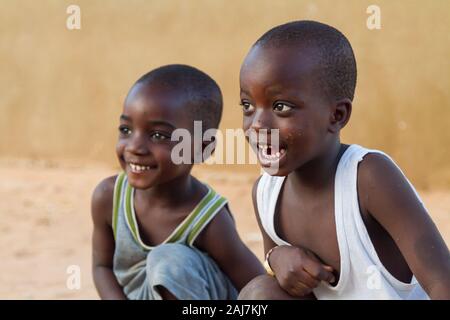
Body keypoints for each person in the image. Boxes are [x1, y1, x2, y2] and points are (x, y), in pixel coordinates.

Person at [237, 21, 450, 299]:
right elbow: (280, 280)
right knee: (260, 294)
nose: (257, 124)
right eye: (247, 106)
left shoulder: (369, 178)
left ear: (337, 115)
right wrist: (276, 257)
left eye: (281, 107)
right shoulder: (266, 193)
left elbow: (442, 281)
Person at [91, 64, 264, 300]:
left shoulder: (209, 221)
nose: (134, 147)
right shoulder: (108, 197)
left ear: (204, 148)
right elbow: (102, 267)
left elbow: (257, 285)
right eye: (126, 129)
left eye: (159, 135)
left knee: (169, 261)